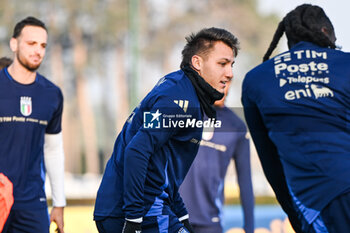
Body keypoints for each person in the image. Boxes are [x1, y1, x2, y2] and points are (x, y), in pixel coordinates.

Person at [94, 27, 239, 233]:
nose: (230, 73)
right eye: (222, 64)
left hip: (140, 209)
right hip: (137, 212)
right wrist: (134, 218)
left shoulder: (179, 86)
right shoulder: (179, 100)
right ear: (197, 63)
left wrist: (181, 214)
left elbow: (163, 166)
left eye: (232, 65)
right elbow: (136, 151)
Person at [242, 4, 350, 233]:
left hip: (315, 203)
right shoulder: (345, 63)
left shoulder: (256, 80)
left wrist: (294, 215)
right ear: (325, 33)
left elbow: (270, 162)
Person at [0, 16, 66, 233]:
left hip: (33, 202)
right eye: (31, 43)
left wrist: (59, 202)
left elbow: (53, 150)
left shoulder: (52, 94)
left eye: (43, 45)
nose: (38, 50)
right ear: (14, 44)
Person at [179, 80, 254, 233]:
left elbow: (245, 180)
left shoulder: (236, 127)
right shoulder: (182, 112)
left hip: (210, 222)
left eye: (227, 81)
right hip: (173, 217)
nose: (223, 85)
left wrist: (249, 228)